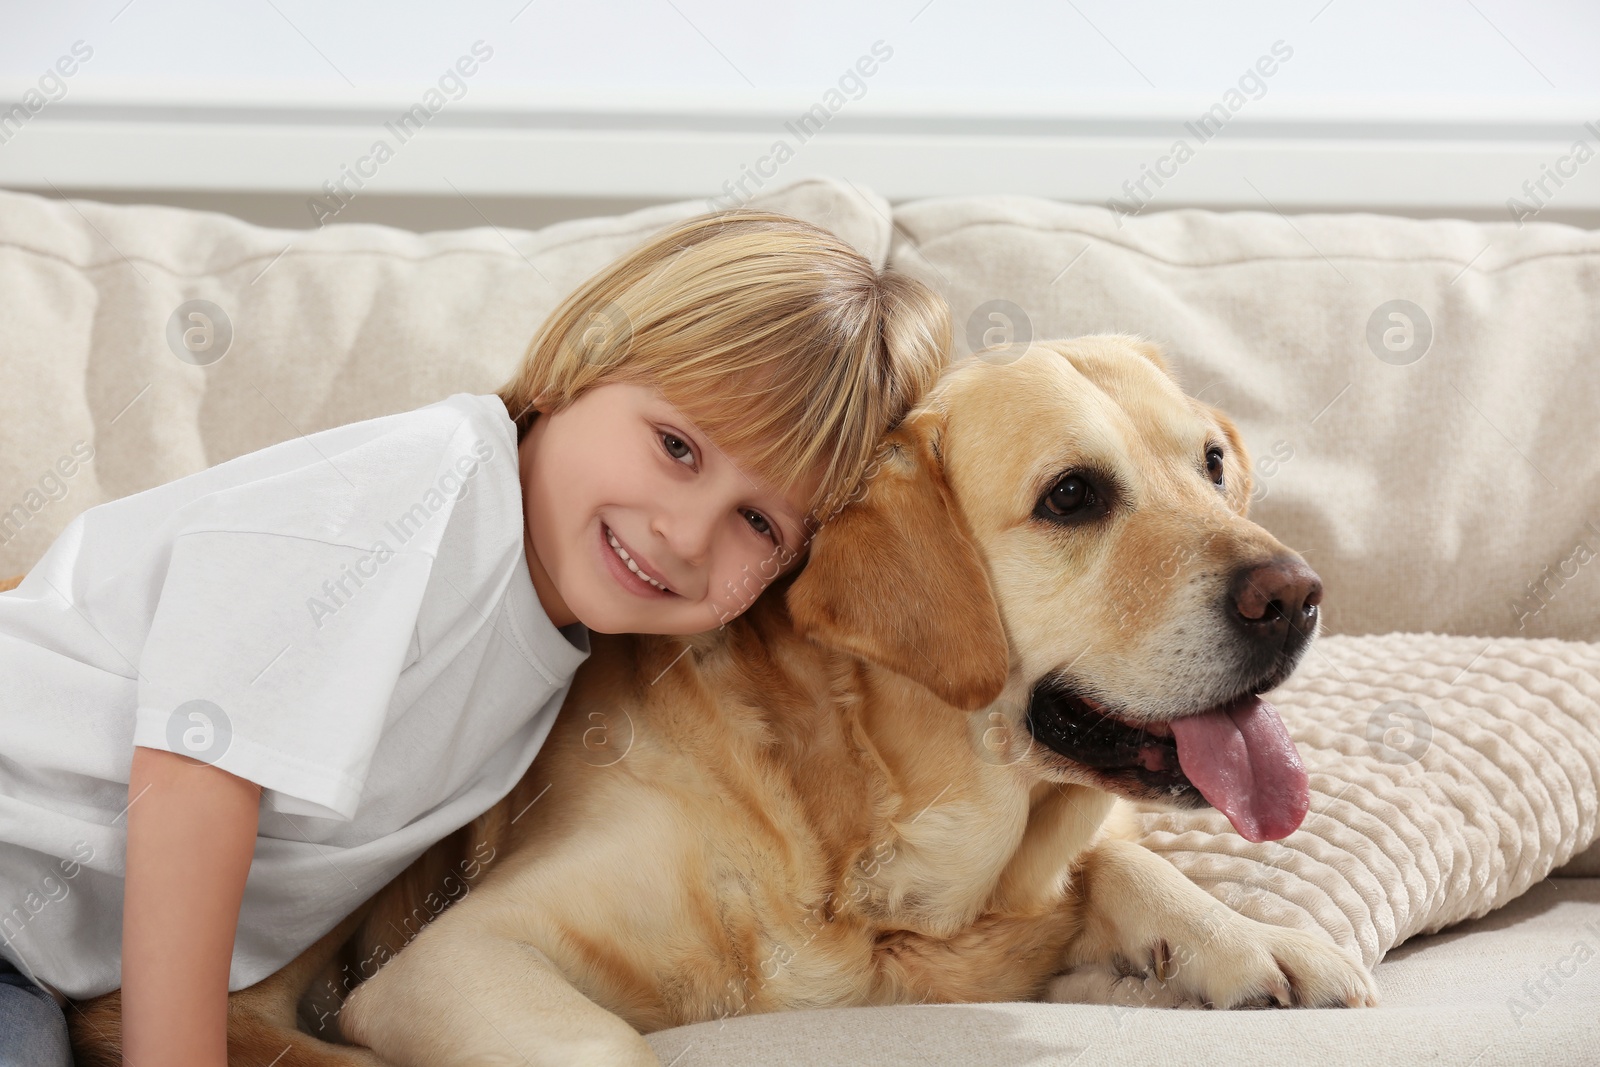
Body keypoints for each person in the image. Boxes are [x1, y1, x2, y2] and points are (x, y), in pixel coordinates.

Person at [0, 208, 952, 1067]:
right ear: (589, 356)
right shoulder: (416, 496)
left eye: (760, 524)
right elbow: (198, 768)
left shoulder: (559, 631)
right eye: (677, 446)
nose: (686, 532)